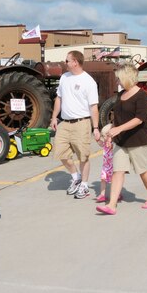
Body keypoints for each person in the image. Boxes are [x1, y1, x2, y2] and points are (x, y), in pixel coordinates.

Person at [97, 64, 147, 215]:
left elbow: (139, 119)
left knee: (142, 170)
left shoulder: (142, 96)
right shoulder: (120, 95)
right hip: (121, 141)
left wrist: (119, 129)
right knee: (118, 171)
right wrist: (110, 134)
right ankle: (111, 205)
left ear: (126, 78)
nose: (117, 81)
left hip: (138, 141)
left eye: (119, 78)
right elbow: (117, 118)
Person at [50, 50, 101, 200]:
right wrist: (54, 117)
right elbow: (58, 99)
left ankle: (84, 185)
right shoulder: (64, 78)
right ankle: (76, 176)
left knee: (83, 156)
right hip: (65, 123)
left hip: (82, 123)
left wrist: (96, 128)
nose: (64, 63)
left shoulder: (88, 81)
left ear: (75, 62)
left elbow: (94, 107)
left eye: (67, 60)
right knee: (60, 152)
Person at [96, 124, 114, 203]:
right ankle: (102, 195)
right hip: (105, 167)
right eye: (103, 136)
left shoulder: (113, 144)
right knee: (103, 179)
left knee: (114, 181)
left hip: (113, 167)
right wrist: (97, 140)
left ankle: (116, 194)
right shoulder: (105, 144)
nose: (104, 138)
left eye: (105, 136)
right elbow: (100, 144)